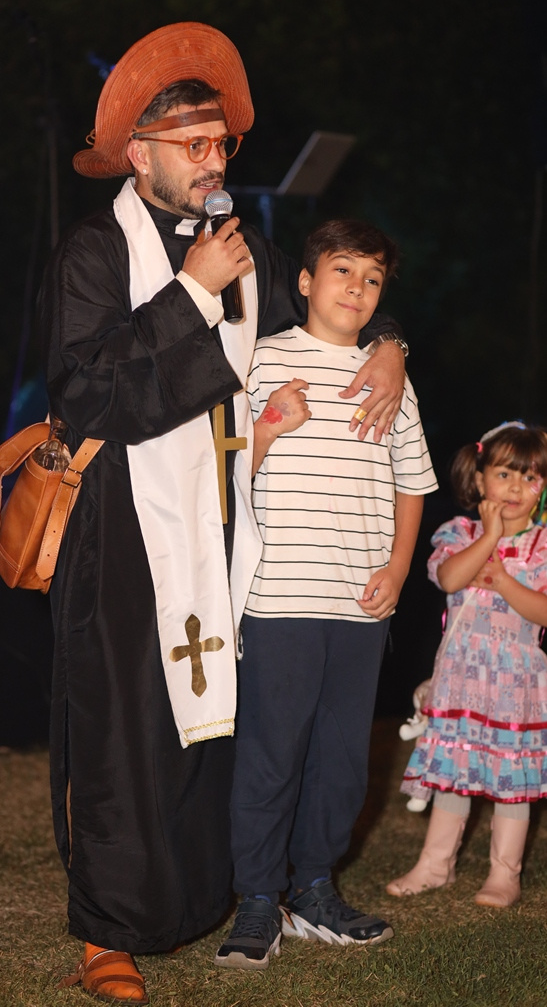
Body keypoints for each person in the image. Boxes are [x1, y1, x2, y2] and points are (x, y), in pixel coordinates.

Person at [39, 23, 407, 1004]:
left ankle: (208, 899)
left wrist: (388, 343)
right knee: (124, 733)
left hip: (230, 523)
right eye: (193, 144)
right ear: (138, 153)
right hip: (125, 528)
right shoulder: (94, 250)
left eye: (221, 143)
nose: (213, 161)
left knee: (217, 731)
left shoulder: (242, 249)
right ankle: (108, 935)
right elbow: (88, 394)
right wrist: (189, 295)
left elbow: (328, 308)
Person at [214, 219, 438, 971]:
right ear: (305, 282)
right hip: (278, 598)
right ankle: (256, 898)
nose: (357, 288)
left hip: (361, 604)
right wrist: (269, 427)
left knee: (342, 758)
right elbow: (219, 476)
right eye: (342, 271)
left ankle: (313, 888)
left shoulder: (390, 377)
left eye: (372, 279)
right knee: (271, 754)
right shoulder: (260, 359)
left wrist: (399, 570)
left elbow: (412, 484)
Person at [386, 421, 547, 908]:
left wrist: (503, 580)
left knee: (511, 781)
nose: (516, 487)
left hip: (517, 686)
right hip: (461, 679)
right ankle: (435, 864)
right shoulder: (460, 533)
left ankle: (504, 873)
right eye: (504, 474)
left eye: (531, 477)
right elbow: (451, 579)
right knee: (453, 769)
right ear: (479, 479)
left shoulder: (542, 546)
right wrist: (491, 535)